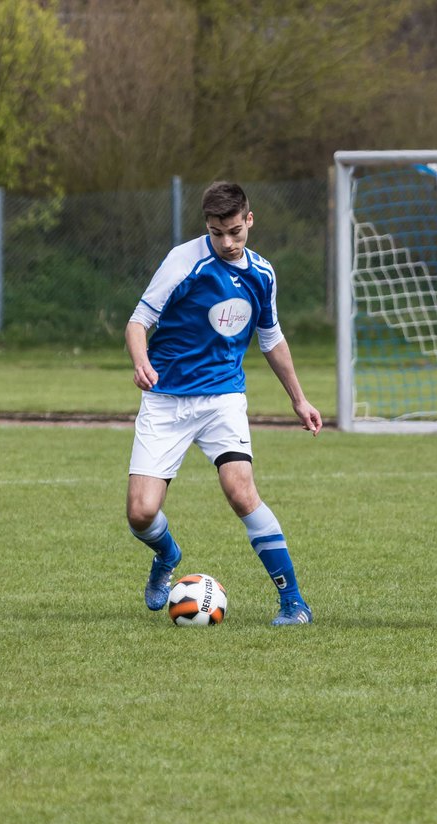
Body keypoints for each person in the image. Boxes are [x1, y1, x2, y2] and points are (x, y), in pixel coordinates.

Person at [125, 181, 323, 625]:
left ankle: (293, 603)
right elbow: (139, 321)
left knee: (241, 491)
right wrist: (141, 361)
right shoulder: (182, 262)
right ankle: (167, 554)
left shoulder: (262, 274)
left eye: (235, 230)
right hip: (166, 400)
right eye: (217, 233)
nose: (228, 242)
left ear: (249, 220)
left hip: (222, 398)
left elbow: (271, 338)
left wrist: (299, 399)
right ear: (207, 227)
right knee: (141, 513)